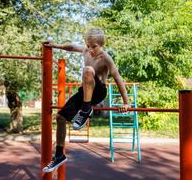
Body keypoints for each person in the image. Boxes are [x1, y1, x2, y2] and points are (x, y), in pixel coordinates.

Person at [42, 28, 130, 173]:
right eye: (88, 46)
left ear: (101, 44)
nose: (90, 49)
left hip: (99, 91)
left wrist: (126, 102)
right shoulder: (85, 51)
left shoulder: (105, 57)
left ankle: (86, 109)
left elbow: (118, 78)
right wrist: (54, 45)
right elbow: (71, 47)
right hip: (85, 93)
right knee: (60, 117)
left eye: (94, 46)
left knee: (88, 70)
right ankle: (59, 155)